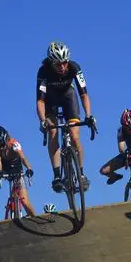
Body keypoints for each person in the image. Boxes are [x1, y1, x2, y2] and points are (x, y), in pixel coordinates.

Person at [36, 41, 97, 193]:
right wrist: (43, 121)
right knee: (53, 132)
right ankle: (57, 176)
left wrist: (89, 115)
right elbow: (40, 101)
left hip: (69, 97)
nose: (62, 67)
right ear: (51, 62)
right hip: (50, 100)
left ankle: (81, 175)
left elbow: (83, 94)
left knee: (75, 137)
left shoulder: (75, 68)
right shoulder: (43, 72)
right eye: (58, 64)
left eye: (64, 63)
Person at [0, 126, 36, 217]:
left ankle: (34, 218)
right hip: (4, 168)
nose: (0, 148)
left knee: (24, 201)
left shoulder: (14, 144)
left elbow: (23, 158)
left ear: (6, 140)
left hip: (17, 170)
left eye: (2, 145)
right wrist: (0, 172)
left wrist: (29, 168)